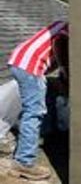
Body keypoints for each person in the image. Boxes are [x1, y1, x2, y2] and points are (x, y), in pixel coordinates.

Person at [7, 21, 69, 181]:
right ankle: (24, 162)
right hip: (31, 66)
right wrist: (66, 73)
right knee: (34, 113)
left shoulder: (60, 24)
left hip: (19, 61)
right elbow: (60, 44)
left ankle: (19, 161)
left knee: (33, 110)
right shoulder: (71, 28)